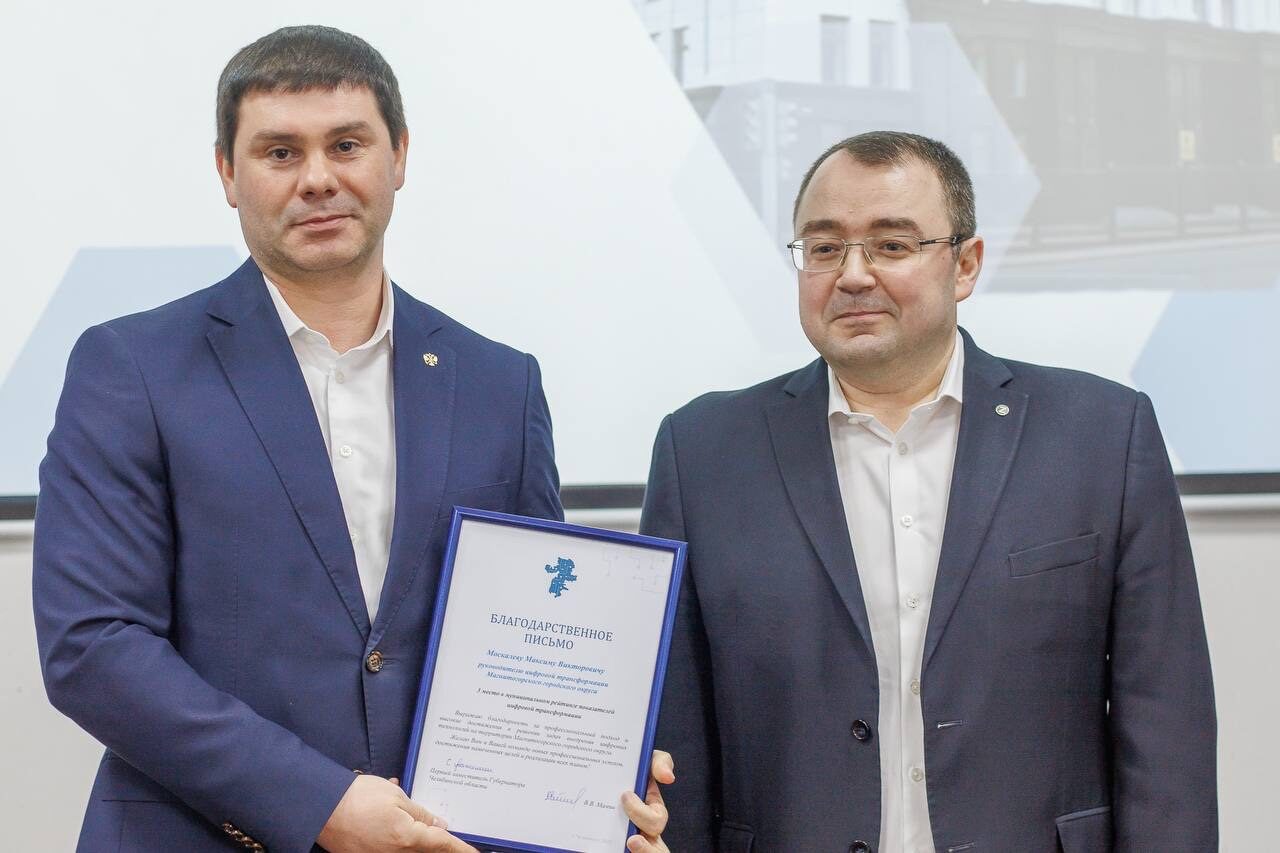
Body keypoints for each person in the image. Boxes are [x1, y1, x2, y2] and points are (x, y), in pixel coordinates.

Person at [34, 26, 670, 853]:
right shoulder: (132, 367)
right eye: (279, 153)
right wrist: (319, 801)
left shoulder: (500, 383)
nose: (318, 179)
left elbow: (530, 625)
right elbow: (93, 645)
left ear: (398, 155)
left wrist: (589, 764)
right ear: (227, 172)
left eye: (346, 145)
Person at [641, 131, 1216, 852]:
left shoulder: (1101, 433)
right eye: (824, 248)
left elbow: (1166, 723)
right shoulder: (702, 451)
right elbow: (675, 731)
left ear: (965, 264)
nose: (853, 275)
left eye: (891, 245)